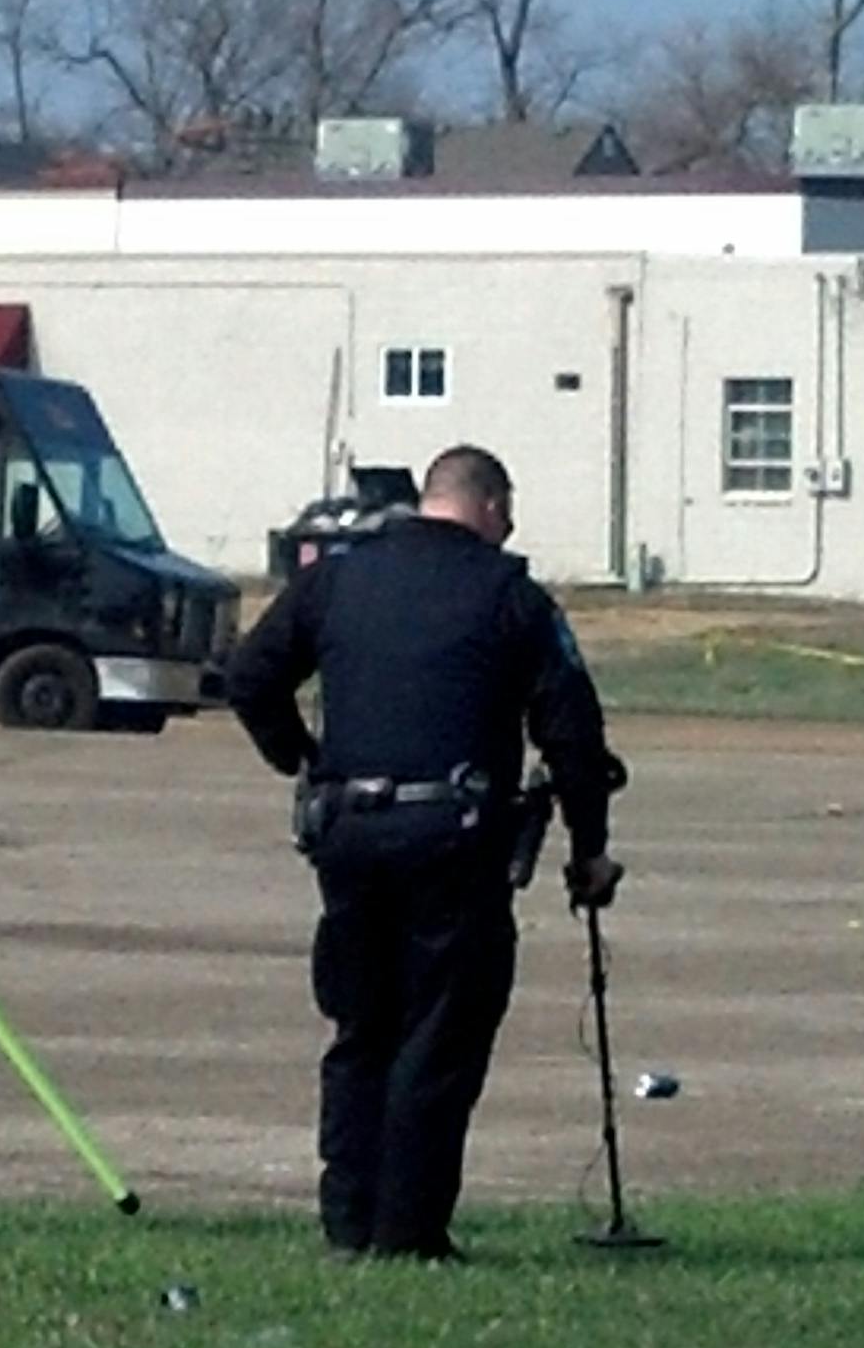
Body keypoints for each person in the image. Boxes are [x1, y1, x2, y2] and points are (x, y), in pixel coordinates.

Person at [223, 445, 625, 1261]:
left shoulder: (337, 578)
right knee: (438, 1035)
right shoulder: (511, 596)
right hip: (455, 842)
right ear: (485, 504)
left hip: (350, 836)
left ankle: (348, 1223)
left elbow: (249, 676)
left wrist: (303, 759)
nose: (509, 527)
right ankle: (408, 1233)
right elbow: (574, 736)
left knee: (360, 1028)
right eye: (506, 511)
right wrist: (590, 850)